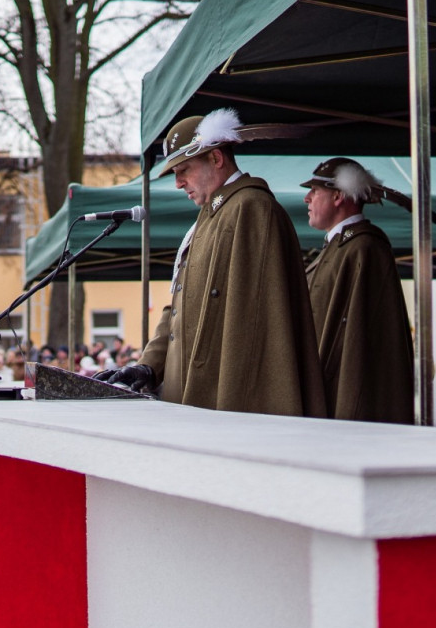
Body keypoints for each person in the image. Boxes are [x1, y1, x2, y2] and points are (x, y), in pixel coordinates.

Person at [98, 109, 325, 417]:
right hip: (197, 398)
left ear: (216, 159)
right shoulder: (213, 216)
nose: (178, 183)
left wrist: (228, 408)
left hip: (226, 401)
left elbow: (256, 329)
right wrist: (149, 366)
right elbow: (178, 308)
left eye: (184, 170)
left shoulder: (250, 208)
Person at [300, 157, 414, 422]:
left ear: (338, 196)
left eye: (315, 191)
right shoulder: (340, 248)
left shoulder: (364, 248)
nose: (307, 198)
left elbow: (358, 345)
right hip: (325, 396)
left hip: (343, 403)